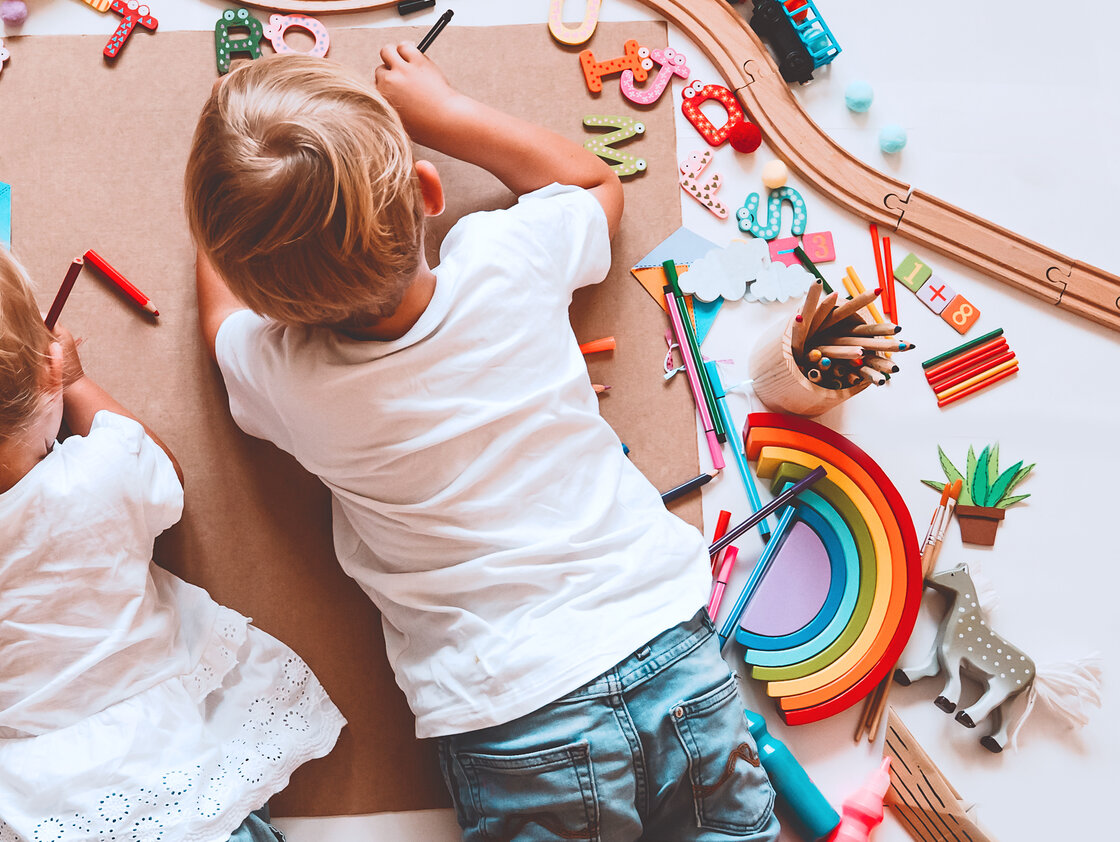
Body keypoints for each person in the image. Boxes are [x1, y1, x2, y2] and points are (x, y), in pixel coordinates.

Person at [186, 50, 777, 842]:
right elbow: (597, 186)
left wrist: (228, 202)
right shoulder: (510, 259)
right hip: (669, 647)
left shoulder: (286, 379)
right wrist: (444, 111)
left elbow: (220, 323)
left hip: (515, 716)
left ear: (271, 304)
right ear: (430, 192)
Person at [0, 218, 343, 842]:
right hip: (151, 748)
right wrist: (74, 383)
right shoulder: (101, 475)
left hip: (24, 787)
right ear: (45, 370)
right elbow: (169, 480)